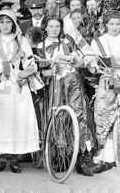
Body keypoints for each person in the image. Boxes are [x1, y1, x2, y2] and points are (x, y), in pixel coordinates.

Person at [36, 15, 97, 176]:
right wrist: (52, 67)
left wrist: (72, 58)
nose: (54, 30)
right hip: (55, 84)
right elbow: (41, 71)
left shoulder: (68, 41)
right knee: (58, 118)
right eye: (51, 26)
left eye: (57, 26)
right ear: (45, 28)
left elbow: (81, 57)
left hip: (72, 82)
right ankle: (61, 156)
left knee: (80, 115)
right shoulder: (41, 46)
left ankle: (83, 157)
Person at [0, 10, 39, 173]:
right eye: (2, 22)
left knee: (16, 120)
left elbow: (29, 61)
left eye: (8, 22)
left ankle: (15, 159)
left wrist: (26, 74)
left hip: (17, 84)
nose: (5, 25)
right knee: (0, 120)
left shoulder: (21, 41)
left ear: (14, 24)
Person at [90, 10, 120, 173]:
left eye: (118, 24)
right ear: (106, 25)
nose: (115, 27)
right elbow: (92, 63)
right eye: (112, 24)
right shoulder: (99, 42)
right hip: (107, 82)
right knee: (103, 117)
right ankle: (102, 157)